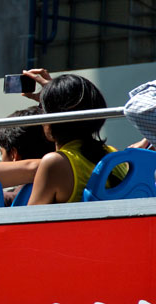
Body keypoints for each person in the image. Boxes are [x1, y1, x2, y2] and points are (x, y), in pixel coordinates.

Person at [27, 73, 127, 205]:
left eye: (41, 109)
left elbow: (29, 222)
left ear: (52, 118)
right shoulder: (113, 154)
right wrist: (52, 94)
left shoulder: (54, 163)